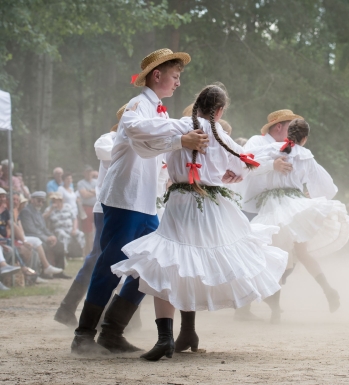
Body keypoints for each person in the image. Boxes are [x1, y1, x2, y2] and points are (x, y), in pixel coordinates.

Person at [112, 83, 287, 361]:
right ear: (220, 111)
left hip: (180, 204)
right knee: (197, 263)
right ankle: (187, 332)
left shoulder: (179, 125)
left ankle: (166, 338)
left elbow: (146, 132)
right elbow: (245, 164)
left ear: (197, 105)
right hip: (213, 207)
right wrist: (234, 174)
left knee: (169, 265)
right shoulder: (222, 136)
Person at [71, 48, 209, 356]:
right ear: (157, 76)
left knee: (152, 266)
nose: (177, 83)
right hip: (124, 198)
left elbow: (154, 146)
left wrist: (181, 141)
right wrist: (183, 130)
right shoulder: (138, 105)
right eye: (174, 77)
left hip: (146, 202)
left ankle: (111, 331)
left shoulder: (158, 110)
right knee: (110, 263)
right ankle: (83, 335)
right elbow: (136, 131)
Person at [240, 118, 349, 322]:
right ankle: (328, 289)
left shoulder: (273, 149)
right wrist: (311, 197)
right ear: (305, 138)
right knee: (302, 253)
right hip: (296, 205)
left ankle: (275, 310)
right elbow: (326, 185)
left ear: (288, 133)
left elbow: (246, 160)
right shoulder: (306, 156)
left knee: (276, 255)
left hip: (274, 206)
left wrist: (271, 166)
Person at [231, 109, 302, 321]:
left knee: (281, 257)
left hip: (272, 211)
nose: (292, 133)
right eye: (290, 127)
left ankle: (270, 302)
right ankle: (254, 309)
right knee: (252, 258)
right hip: (250, 209)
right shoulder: (256, 141)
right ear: (278, 126)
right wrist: (273, 165)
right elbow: (246, 162)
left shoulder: (288, 148)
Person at [55, 105, 122, 326]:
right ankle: (69, 308)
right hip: (105, 208)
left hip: (127, 208)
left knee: (120, 258)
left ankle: (109, 314)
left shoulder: (139, 143)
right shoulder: (109, 139)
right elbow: (108, 155)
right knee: (98, 257)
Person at [18, 191, 70, 278]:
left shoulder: (38, 212)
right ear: (32, 200)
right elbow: (31, 230)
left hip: (41, 236)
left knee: (59, 244)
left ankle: (59, 272)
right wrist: (46, 238)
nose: (41, 204)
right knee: (44, 245)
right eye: (39, 201)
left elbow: (44, 228)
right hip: (31, 236)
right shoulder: (26, 211)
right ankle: (44, 272)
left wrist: (52, 236)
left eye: (43, 201)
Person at [45, 192, 85, 260]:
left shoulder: (68, 207)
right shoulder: (49, 209)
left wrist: (74, 229)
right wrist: (51, 209)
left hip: (70, 228)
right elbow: (43, 217)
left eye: (56, 199)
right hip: (58, 229)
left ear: (60, 200)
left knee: (80, 234)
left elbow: (74, 218)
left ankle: (82, 254)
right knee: (62, 235)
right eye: (53, 199)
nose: (54, 201)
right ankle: (65, 255)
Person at [77, 166, 97, 255]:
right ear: (84, 173)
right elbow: (84, 195)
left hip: (96, 207)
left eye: (90, 172)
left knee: (97, 231)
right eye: (87, 172)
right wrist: (94, 192)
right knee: (88, 233)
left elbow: (101, 192)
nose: (89, 174)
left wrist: (91, 191)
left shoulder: (96, 182)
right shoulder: (81, 183)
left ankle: (95, 252)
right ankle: (88, 253)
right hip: (86, 208)